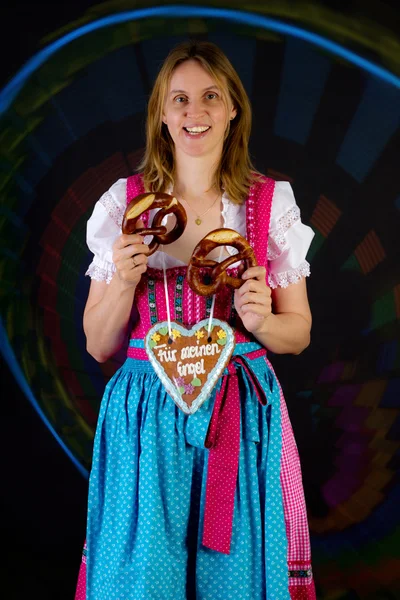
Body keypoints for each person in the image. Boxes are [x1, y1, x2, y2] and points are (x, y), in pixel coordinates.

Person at [74, 40, 316, 600]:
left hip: (237, 414)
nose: (194, 111)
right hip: (144, 418)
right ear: (162, 114)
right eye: (179, 99)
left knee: (231, 580)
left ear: (233, 108)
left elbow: (298, 332)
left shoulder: (268, 204)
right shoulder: (123, 205)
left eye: (210, 96)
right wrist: (125, 281)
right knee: (144, 582)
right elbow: (96, 344)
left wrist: (260, 320)